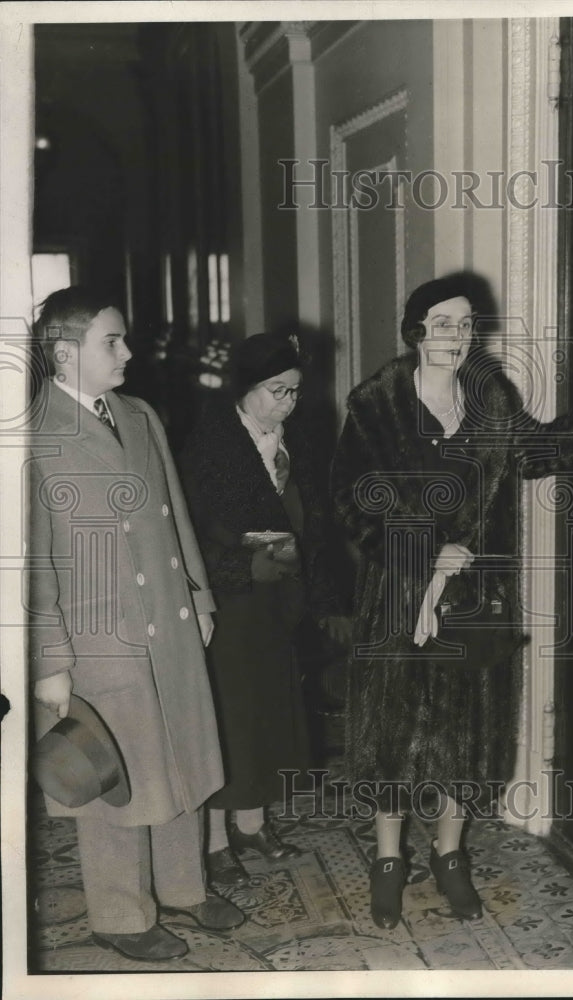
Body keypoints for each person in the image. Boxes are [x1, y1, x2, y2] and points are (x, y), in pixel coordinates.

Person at [330, 275, 573, 929]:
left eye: (466, 325)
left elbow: (530, 455)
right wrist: (423, 552)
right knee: (394, 731)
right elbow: (353, 505)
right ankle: (388, 863)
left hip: (476, 596)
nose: (457, 336)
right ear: (416, 329)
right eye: (443, 323)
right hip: (400, 595)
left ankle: (450, 857)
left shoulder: (490, 394)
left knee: (463, 732)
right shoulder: (376, 406)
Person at [27, 286, 244, 963]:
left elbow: (175, 516)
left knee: (180, 757)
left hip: (169, 623)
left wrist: (201, 599)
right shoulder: (32, 436)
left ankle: (183, 887)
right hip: (99, 639)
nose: (127, 352)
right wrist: (51, 661)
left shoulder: (140, 414)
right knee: (114, 779)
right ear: (66, 353)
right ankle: (120, 916)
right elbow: (30, 564)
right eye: (111, 342)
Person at [180, 332, 347, 887]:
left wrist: (324, 598)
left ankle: (252, 823)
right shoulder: (209, 443)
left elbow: (317, 523)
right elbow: (188, 536)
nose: (288, 402)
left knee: (271, 716)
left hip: (280, 605)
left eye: (295, 392)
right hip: (229, 606)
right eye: (277, 391)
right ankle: (216, 840)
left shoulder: (300, 438)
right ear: (244, 389)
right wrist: (243, 566)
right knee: (230, 721)